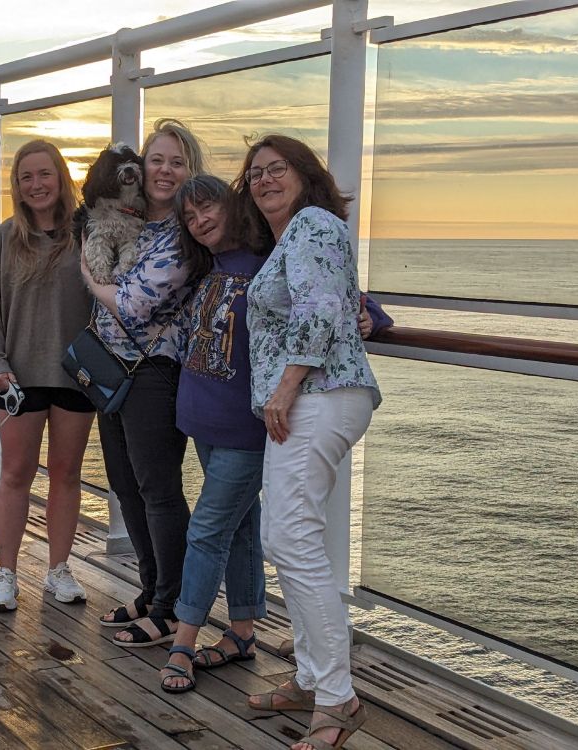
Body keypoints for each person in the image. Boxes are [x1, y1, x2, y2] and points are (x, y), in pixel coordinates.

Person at [158, 175, 391, 695]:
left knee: (208, 529)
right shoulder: (205, 267)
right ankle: (243, 631)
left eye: (208, 208)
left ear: (231, 206)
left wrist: (369, 315)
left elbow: (335, 295)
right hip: (202, 418)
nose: (200, 222)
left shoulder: (271, 254)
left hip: (250, 425)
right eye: (190, 218)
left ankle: (183, 641)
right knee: (242, 530)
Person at [241, 135, 381, 750]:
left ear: (306, 176)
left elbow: (323, 306)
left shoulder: (315, 224)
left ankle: (338, 698)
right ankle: (311, 675)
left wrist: (287, 384)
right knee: (291, 537)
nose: (265, 180)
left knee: (289, 536)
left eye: (278, 169)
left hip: (319, 395)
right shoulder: (290, 239)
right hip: (307, 399)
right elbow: (338, 301)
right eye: (255, 174)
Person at [80, 119, 208, 647]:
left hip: (155, 373)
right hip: (111, 368)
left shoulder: (183, 233)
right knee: (124, 484)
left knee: (158, 490)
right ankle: (151, 589)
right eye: (157, 159)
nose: (163, 170)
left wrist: (89, 277)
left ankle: (173, 608)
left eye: (177, 162)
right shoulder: (126, 220)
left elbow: (133, 303)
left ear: (190, 173)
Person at [0, 140, 96, 612]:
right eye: (26, 177)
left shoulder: (86, 234)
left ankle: (58, 570)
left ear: (61, 177)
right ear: (17, 186)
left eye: (44, 174)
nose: (36, 184)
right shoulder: (5, 239)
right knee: (15, 474)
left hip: (77, 375)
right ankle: (5, 574)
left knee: (66, 475)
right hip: (19, 376)